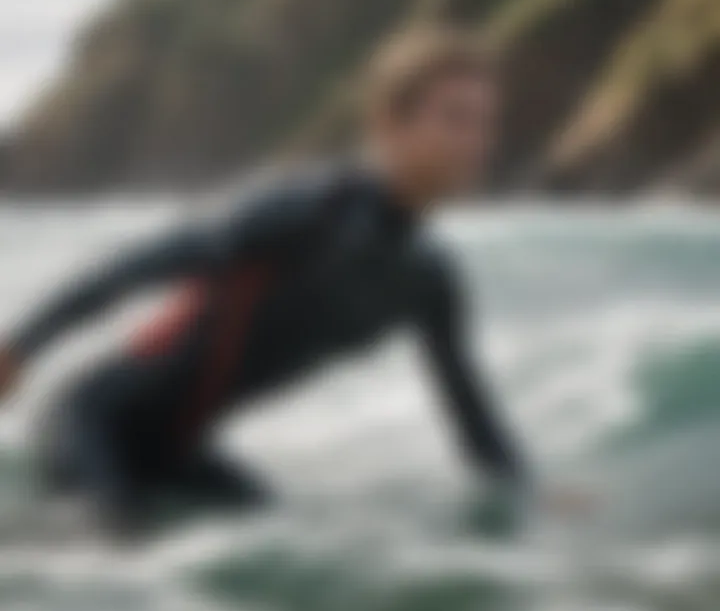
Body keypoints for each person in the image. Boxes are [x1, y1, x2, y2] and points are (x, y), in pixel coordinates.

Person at [0, 28, 532, 539]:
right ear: (388, 123)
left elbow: (473, 419)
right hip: (96, 425)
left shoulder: (428, 280)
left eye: (487, 124)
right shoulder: (309, 211)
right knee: (117, 549)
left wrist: (533, 497)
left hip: (176, 449)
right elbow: (139, 266)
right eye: (456, 120)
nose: (477, 142)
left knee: (271, 540)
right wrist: (21, 347)